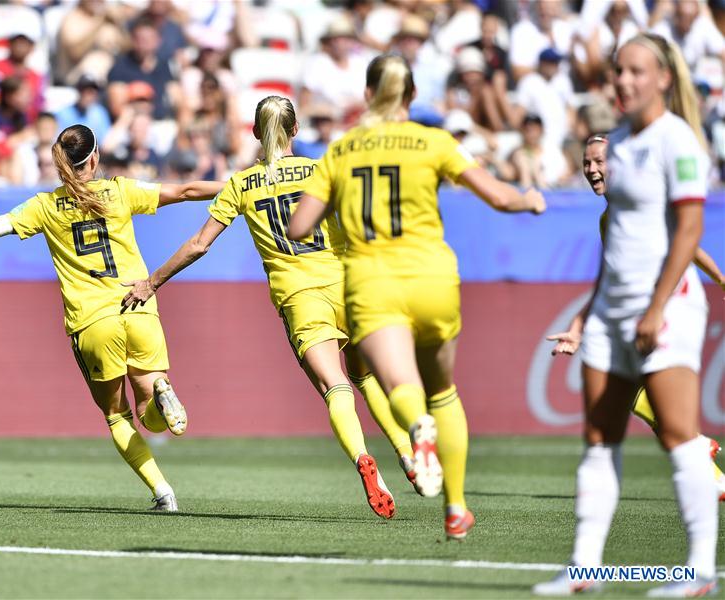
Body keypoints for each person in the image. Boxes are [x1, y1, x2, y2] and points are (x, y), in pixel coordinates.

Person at [0, 124, 224, 513]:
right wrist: (235, 186)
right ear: (94, 157)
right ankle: (162, 391)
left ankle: (163, 492)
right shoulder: (120, 190)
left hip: (93, 322)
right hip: (138, 305)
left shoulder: (44, 206)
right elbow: (184, 191)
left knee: (117, 415)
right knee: (152, 417)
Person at [122, 96, 424, 520]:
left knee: (334, 386)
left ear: (254, 133)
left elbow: (198, 245)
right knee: (366, 373)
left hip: (299, 297)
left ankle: (362, 459)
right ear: (296, 130)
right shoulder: (322, 170)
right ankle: (408, 454)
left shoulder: (242, 184)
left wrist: (151, 282)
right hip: (347, 285)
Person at [287, 55, 546, 539]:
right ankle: (456, 507)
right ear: (410, 97)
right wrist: (529, 199)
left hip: (372, 282)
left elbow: (300, 226)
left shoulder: (341, 150)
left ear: (367, 95)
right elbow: (500, 197)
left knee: (399, 385)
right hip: (433, 277)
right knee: (443, 389)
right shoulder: (435, 141)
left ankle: (416, 430)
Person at [533, 34, 719, 597]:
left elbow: (690, 230)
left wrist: (657, 306)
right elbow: (614, 262)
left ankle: (696, 572)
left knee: (680, 436)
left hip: (667, 308)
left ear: (662, 78)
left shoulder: (677, 141)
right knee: (598, 436)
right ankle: (584, 570)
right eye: (619, 72)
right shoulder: (618, 144)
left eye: (637, 71)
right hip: (615, 312)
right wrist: (585, 320)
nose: (625, 81)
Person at [547, 134, 725, 502]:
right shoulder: (609, 217)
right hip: (638, 310)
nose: (592, 170)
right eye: (587, 163)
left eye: (599, 161)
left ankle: (696, 450)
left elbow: (687, 244)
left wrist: (721, 278)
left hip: (666, 310)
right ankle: (707, 466)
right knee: (629, 391)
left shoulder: (642, 204)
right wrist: (579, 328)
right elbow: (609, 279)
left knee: (629, 389)